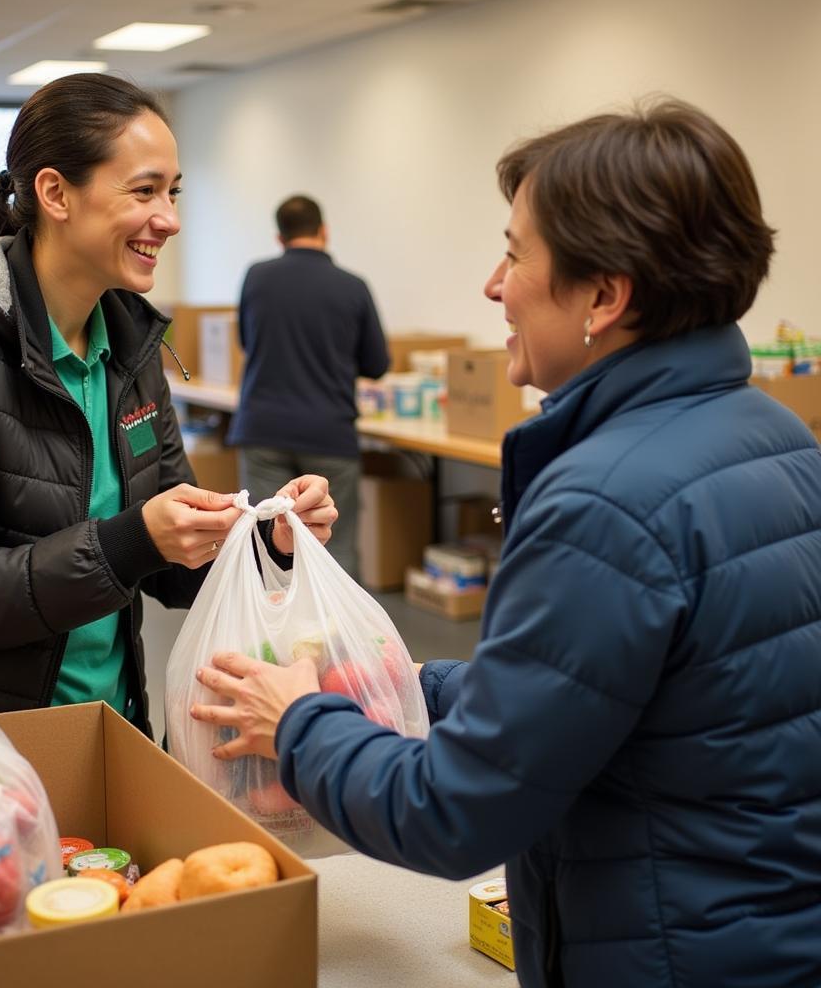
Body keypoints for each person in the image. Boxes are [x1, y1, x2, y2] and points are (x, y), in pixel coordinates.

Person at [192, 99, 821, 986]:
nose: (494, 285)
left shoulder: (607, 499)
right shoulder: (776, 435)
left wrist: (298, 722)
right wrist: (410, 687)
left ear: (605, 295)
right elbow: (620, 693)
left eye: (516, 254)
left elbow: (453, 813)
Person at [0, 73, 336, 734]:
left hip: (106, 722)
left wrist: (268, 542)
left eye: (172, 191)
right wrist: (132, 540)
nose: (168, 218)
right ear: (55, 193)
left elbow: (171, 556)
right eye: (144, 190)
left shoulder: (129, 344)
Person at [226, 195, 389, 580]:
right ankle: (337, 638)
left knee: (266, 539)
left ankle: (269, 636)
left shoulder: (256, 277)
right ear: (324, 231)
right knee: (335, 543)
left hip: (263, 428)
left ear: (279, 238)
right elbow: (377, 365)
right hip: (328, 433)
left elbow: (247, 342)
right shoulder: (352, 286)